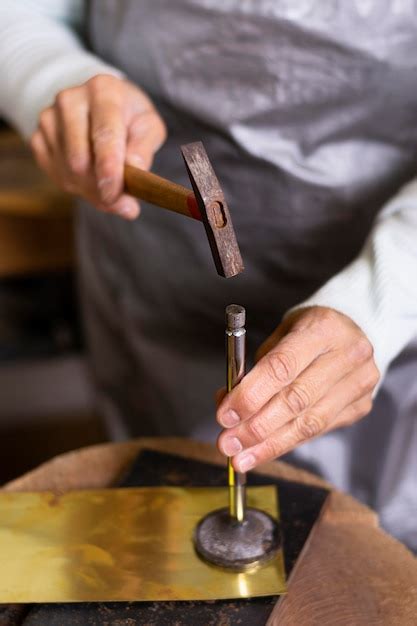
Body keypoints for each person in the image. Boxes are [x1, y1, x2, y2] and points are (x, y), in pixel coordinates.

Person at [0, 1, 416, 551]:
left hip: (400, 296)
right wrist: (51, 77)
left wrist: (383, 298)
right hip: (155, 274)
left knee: (365, 560)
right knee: (162, 522)